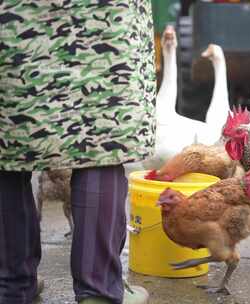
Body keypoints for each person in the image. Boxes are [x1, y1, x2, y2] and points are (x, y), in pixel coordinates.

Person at [0, 1, 156, 303]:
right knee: (101, 136)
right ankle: (98, 292)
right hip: (102, 15)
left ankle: (10, 285)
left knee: (8, 135)